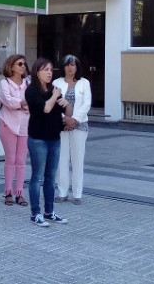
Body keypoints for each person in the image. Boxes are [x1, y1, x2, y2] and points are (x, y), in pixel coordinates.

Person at [25, 58, 73, 227]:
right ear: (37, 71)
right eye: (45, 70)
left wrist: (67, 104)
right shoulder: (31, 91)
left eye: (51, 70)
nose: (49, 73)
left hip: (54, 138)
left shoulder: (55, 90)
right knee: (37, 177)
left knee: (51, 178)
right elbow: (45, 108)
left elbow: (66, 112)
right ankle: (35, 213)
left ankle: (49, 211)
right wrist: (54, 95)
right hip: (38, 139)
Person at [53, 54, 92, 205]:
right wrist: (65, 119)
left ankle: (77, 194)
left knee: (78, 159)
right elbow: (55, 102)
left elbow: (86, 103)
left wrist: (74, 120)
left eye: (73, 65)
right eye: (67, 64)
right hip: (61, 124)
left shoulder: (84, 83)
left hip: (79, 125)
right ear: (63, 67)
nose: (70, 67)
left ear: (77, 67)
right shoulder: (56, 82)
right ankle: (62, 192)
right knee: (62, 159)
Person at [0, 54, 30, 208]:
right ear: (11, 66)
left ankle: (20, 193)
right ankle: (8, 192)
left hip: (24, 125)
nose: (23, 66)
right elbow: (8, 102)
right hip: (7, 124)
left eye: (24, 64)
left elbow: (33, 102)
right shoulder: (4, 83)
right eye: (19, 64)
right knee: (10, 159)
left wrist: (22, 104)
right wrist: (23, 103)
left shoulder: (28, 84)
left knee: (21, 161)